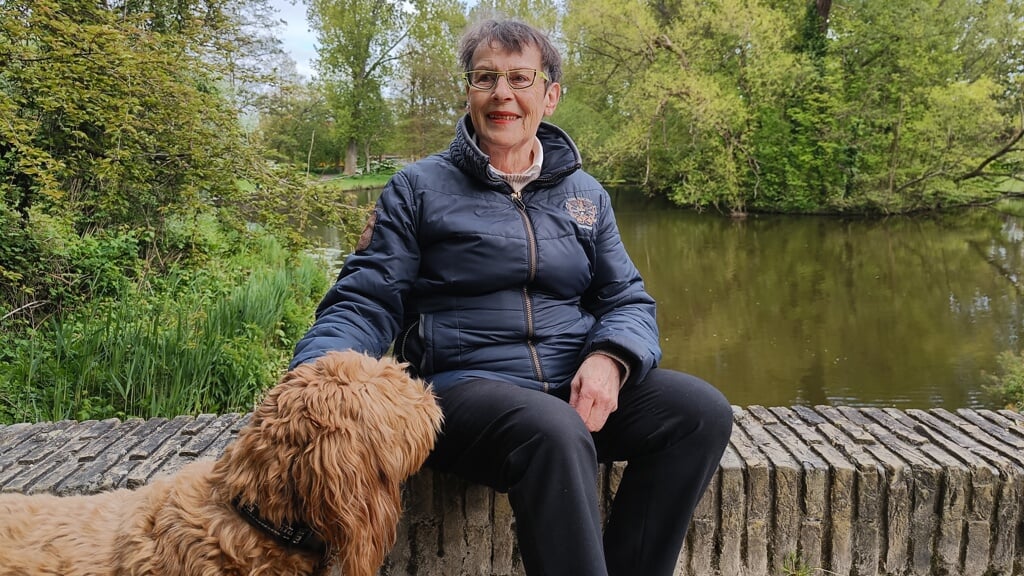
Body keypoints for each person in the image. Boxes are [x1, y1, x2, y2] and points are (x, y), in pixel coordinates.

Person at [290, 18, 734, 576]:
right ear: (469, 93)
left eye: (521, 79)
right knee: (552, 429)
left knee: (699, 413)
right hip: (461, 388)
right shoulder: (417, 188)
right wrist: (315, 372)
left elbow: (626, 297)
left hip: (567, 384)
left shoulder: (586, 194)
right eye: (486, 77)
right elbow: (366, 299)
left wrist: (610, 358)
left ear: (549, 96)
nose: (503, 94)